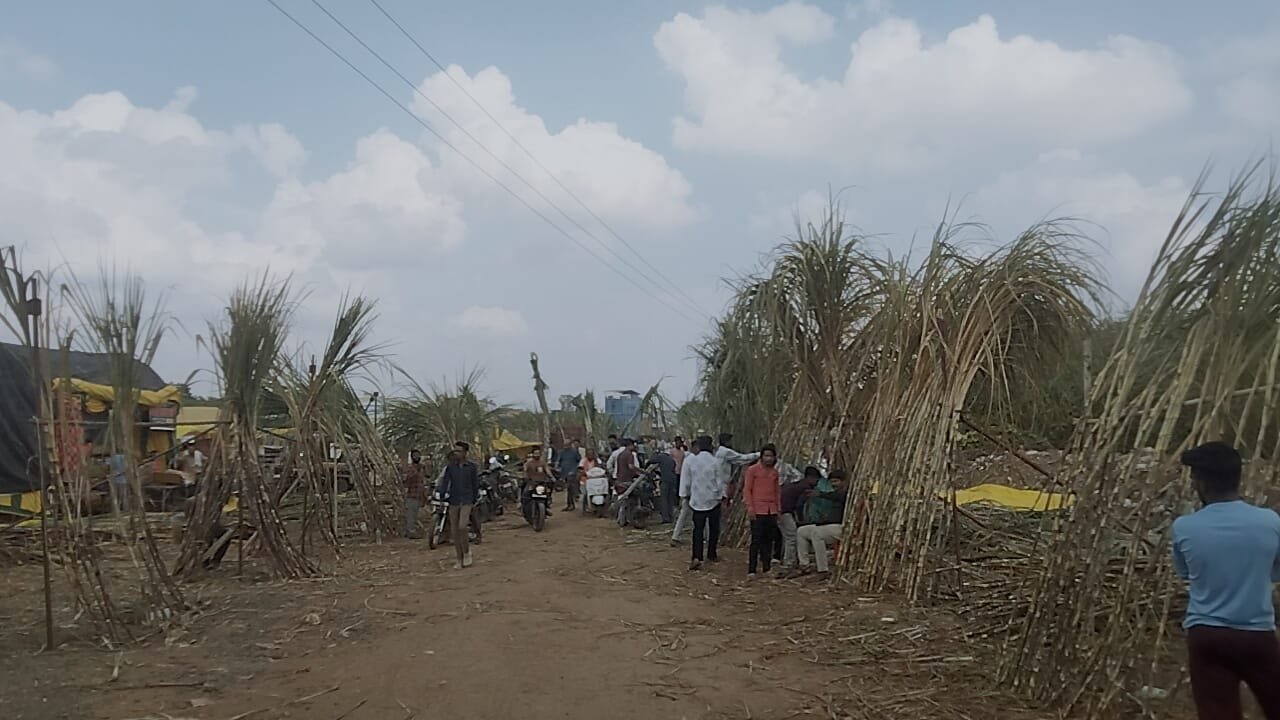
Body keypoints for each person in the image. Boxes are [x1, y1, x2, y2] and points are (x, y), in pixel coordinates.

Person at [1171, 441, 1280, 719]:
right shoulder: (1270, 522)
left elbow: (1186, 572)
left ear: (1201, 482)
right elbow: (1275, 570)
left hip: (1207, 636)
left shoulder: (1184, 527)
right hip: (1256, 634)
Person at [679, 436, 724, 571]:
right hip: (713, 499)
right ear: (711, 446)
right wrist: (722, 496)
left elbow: (685, 480)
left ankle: (697, 556)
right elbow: (720, 481)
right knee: (714, 528)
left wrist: (684, 495)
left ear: (698, 446)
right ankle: (712, 553)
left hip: (697, 500)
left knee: (698, 529)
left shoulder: (690, 461)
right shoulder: (715, 461)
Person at [795, 469, 848, 579]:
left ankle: (823, 569)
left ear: (844, 482)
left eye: (836, 481)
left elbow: (837, 497)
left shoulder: (848, 494)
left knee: (816, 533)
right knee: (802, 531)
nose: (834, 485)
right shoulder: (835, 494)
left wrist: (820, 494)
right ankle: (804, 565)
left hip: (843, 527)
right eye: (832, 482)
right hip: (831, 526)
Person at [436, 442, 479, 569]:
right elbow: (445, 482)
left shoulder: (471, 467)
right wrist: (442, 495)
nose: (456, 453)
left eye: (459, 451)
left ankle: (466, 553)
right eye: (455, 451)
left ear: (465, 452)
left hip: (466, 500)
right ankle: (459, 558)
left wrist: (474, 499)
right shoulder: (451, 467)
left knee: (462, 526)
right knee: (454, 531)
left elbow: (475, 484)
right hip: (453, 500)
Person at [742, 444, 782, 578]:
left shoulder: (774, 473)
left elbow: (777, 492)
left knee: (768, 539)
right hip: (758, 509)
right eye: (766, 456)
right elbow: (747, 490)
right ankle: (751, 569)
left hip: (771, 510)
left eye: (771, 456)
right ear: (761, 456)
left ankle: (766, 567)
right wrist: (750, 508)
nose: (768, 459)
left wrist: (778, 509)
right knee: (756, 540)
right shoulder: (753, 470)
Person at [779, 467, 821, 573]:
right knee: (792, 537)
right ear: (810, 478)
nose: (816, 483)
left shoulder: (797, 484)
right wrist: (801, 519)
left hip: (780, 511)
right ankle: (789, 563)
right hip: (785, 512)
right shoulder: (805, 487)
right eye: (816, 480)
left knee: (788, 537)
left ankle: (789, 560)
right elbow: (799, 505)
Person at [712, 433, 760, 509]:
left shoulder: (719, 452)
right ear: (726, 441)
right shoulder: (726, 452)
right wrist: (758, 454)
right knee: (723, 506)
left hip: (719, 484)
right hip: (723, 485)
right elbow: (742, 458)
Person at [523, 446, 553, 522]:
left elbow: (547, 470)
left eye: (538, 453)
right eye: (535, 453)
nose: (537, 455)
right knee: (525, 494)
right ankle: (523, 508)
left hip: (541, 483)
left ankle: (546, 507)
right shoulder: (529, 463)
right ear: (532, 454)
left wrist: (552, 477)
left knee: (547, 493)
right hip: (531, 483)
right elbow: (525, 471)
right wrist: (525, 476)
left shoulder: (542, 462)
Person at [650, 446, 679, 524]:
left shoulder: (661, 457)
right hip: (673, 480)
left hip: (665, 480)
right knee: (670, 499)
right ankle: (671, 516)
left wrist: (654, 454)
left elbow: (652, 460)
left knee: (664, 499)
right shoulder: (672, 460)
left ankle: (665, 518)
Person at [402, 449, 426, 539]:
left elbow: (422, 482)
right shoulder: (410, 468)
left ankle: (410, 531)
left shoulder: (421, 468)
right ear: (412, 457)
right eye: (415, 455)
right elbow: (407, 480)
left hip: (418, 495)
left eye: (418, 455)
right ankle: (411, 532)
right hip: (411, 494)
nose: (417, 457)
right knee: (411, 514)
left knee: (414, 514)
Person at [557, 440, 582, 512]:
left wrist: (574, 470)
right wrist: (558, 467)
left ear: (570, 445)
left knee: (570, 487)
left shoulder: (574, 452)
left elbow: (579, 462)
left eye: (567, 445)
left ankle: (572, 502)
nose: (565, 446)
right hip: (564, 473)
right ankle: (570, 504)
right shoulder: (561, 452)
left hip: (572, 473)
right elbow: (558, 461)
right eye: (564, 445)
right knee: (568, 489)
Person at [578, 447, 601, 512]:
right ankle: (583, 508)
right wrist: (584, 473)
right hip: (585, 480)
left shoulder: (597, 460)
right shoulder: (583, 461)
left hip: (596, 481)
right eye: (589, 454)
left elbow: (601, 468)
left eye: (591, 454)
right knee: (584, 494)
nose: (590, 455)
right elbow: (580, 470)